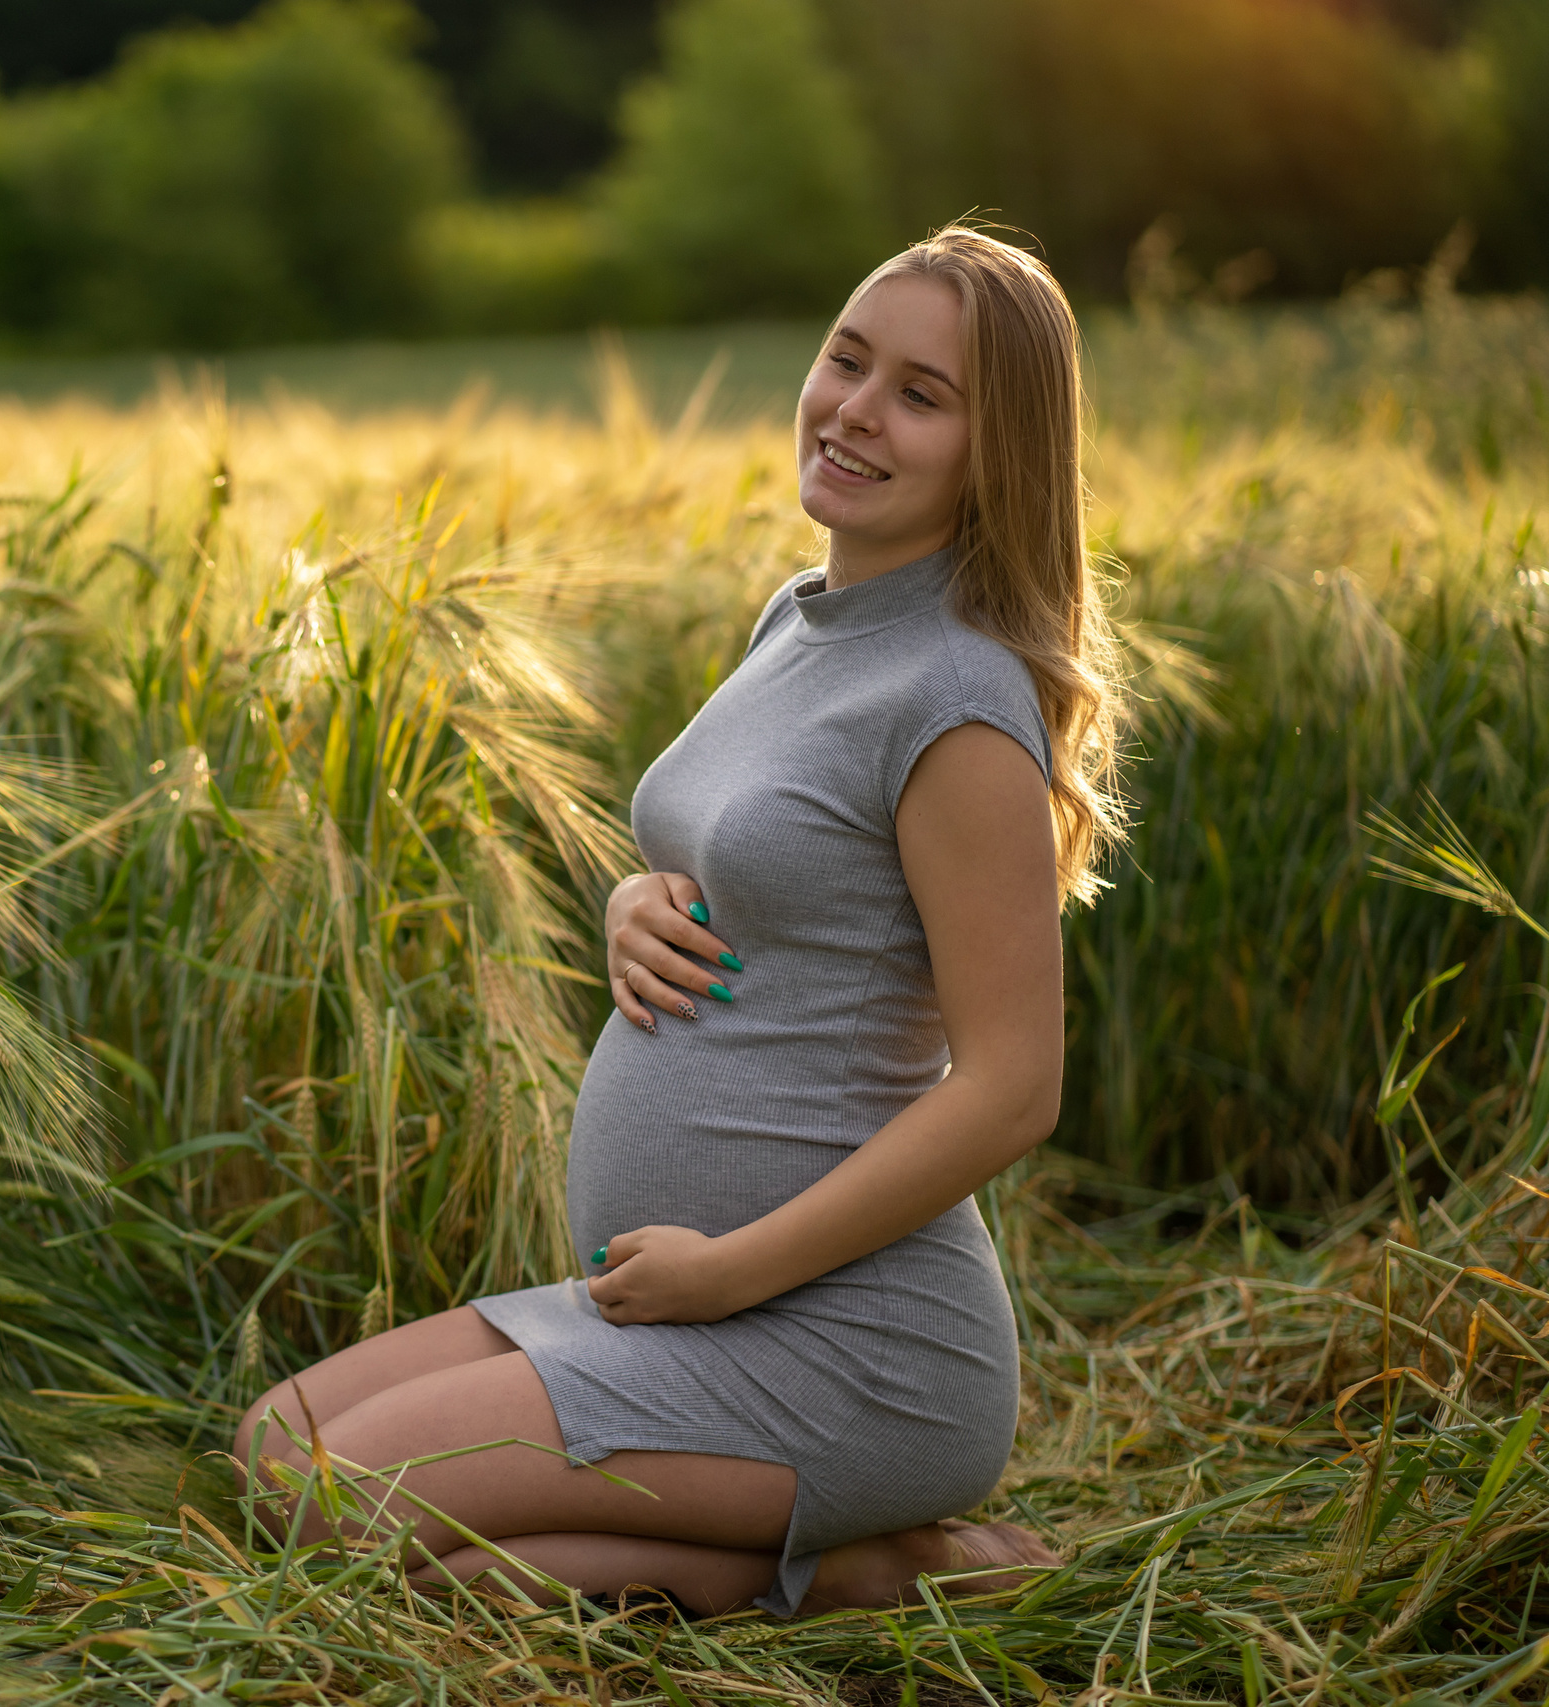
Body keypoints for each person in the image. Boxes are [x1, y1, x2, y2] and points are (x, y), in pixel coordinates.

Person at [234, 226, 1128, 1618]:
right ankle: (825, 1564)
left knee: (330, 1498)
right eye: (847, 359)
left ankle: (874, 1569)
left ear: (994, 451)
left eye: (921, 394)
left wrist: (728, 1274)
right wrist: (631, 899)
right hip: (683, 1308)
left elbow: (1014, 1089)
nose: (853, 409)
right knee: (276, 1448)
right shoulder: (804, 616)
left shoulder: (955, 702)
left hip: (846, 1344)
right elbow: (761, 854)